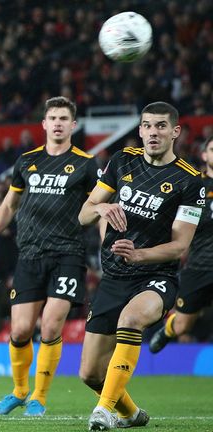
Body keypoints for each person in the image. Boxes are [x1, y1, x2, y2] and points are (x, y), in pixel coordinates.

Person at [77, 102, 204, 430]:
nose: (152, 132)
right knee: (90, 373)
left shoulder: (191, 182)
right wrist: (102, 209)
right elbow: (84, 213)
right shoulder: (122, 160)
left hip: (156, 276)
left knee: (131, 319)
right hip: (115, 276)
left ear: (175, 132)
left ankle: (103, 411)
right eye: (147, 126)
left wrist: (141, 255)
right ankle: (131, 414)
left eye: (161, 126)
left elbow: (180, 245)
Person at [0, 96, 99, 417]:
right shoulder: (26, 162)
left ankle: (39, 398)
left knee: (50, 326)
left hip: (68, 254)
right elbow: (8, 206)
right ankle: (18, 391)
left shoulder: (86, 164)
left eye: (64, 119)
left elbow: (98, 209)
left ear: (73, 125)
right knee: (18, 331)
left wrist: (107, 244)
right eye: (52, 118)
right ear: (44, 124)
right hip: (29, 255)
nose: (58, 123)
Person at [149, 136, 213, 353]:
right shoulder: (195, 185)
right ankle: (168, 330)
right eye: (212, 149)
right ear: (204, 155)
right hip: (199, 268)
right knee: (183, 324)